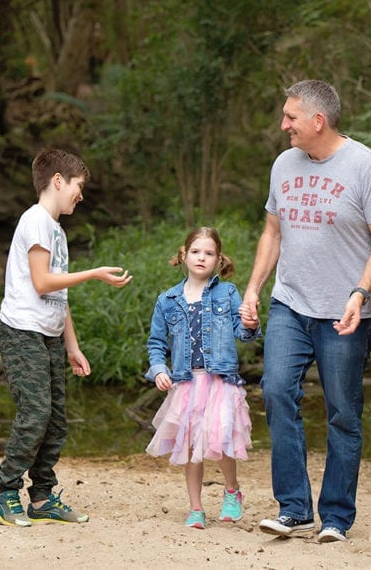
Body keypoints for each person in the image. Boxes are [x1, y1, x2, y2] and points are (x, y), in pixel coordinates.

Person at [240, 79, 371, 543]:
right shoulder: (284, 164)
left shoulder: (368, 168)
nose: (283, 124)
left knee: (343, 413)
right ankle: (293, 508)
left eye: (290, 117)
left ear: (317, 121)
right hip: (290, 303)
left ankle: (335, 516)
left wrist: (360, 291)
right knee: (274, 392)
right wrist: (254, 288)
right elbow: (273, 232)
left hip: (344, 312)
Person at [0, 149, 132, 527]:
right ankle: (4, 492)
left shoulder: (55, 230)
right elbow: (41, 282)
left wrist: (72, 346)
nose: (80, 195)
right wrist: (94, 273)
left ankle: (41, 496)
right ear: (57, 181)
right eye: (78, 186)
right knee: (35, 413)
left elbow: (57, 296)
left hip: (49, 336)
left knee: (56, 421)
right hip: (22, 332)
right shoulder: (35, 221)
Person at [144, 227, 260, 529]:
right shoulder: (167, 300)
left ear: (218, 259)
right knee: (191, 447)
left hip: (220, 382)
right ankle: (196, 508)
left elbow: (242, 331)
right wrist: (159, 369)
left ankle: (232, 490)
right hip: (185, 383)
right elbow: (156, 343)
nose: (201, 257)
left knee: (219, 441)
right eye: (196, 251)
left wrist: (250, 323)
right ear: (184, 255)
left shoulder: (227, 293)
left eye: (209, 253)